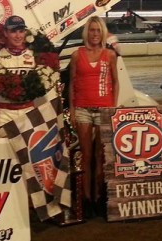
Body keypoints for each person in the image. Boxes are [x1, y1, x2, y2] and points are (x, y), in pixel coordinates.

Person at [69, 16, 119, 218]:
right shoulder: (76, 55)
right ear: (87, 33)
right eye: (92, 30)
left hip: (104, 109)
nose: (95, 34)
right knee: (86, 155)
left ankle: (99, 197)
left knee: (100, 156)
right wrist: (72, 110)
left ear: (103, 33)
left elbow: (115, 82)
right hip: (82, 109)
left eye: (98, 31)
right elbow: (72, 84)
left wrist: (113, 108)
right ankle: (86, 198)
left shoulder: (110, 55)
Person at [0, 15, 36, 137]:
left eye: (21, 31)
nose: (18, 36)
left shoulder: (34, 54)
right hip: (4, 112)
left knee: (29, 152)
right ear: (5, 33)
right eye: (13, 31)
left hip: (28, 110)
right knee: (4, 153)